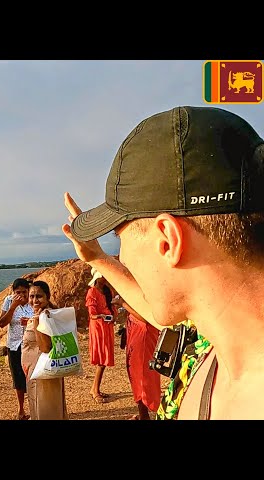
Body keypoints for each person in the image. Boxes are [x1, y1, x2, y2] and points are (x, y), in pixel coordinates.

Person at [62, 105, 264, 419]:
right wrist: (99, 259)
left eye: (120, 237)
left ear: (167, 239)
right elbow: (157, 305)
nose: (124, 256)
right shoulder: (213, 339)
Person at [20, 280, 67, 419]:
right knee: (48, 407)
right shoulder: (43, 313)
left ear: (47, 297)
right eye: (31, 296)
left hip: (43, 372)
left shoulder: (44, 316)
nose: (34, 300)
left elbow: (46, 347)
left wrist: (35, 323)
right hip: (38, 371)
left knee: (45, 410)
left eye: (39, 296)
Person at [112, 294, 162, 420]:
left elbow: (146, 317)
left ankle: (145, 415)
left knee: (143, 376)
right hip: (136, 332)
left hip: (143, 336)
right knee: (135, 374)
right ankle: (143, 414)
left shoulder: (144, 291)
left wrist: (122, 304)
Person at [0, 277, 33, 420]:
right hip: (14, 345)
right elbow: (2, 323)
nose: (21, 296)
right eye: (18, 292)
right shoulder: (8, 301)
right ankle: (21, 410)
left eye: (24, 292)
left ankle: (35, 407)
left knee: (32, 378)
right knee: (18, 379)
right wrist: (13, 307)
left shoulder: (33, 300)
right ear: (13, 292)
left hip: (31, 345)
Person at [85, 267, 115, 404]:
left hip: (106, 327)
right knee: (101, 360)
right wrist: (101, 316)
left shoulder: (107, 291)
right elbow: (92, 313)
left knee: (104, 360)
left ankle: (95, 388)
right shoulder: (92, 292)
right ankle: (94, 390)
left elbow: (112, 308)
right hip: (98, 327)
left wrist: (112, 316)